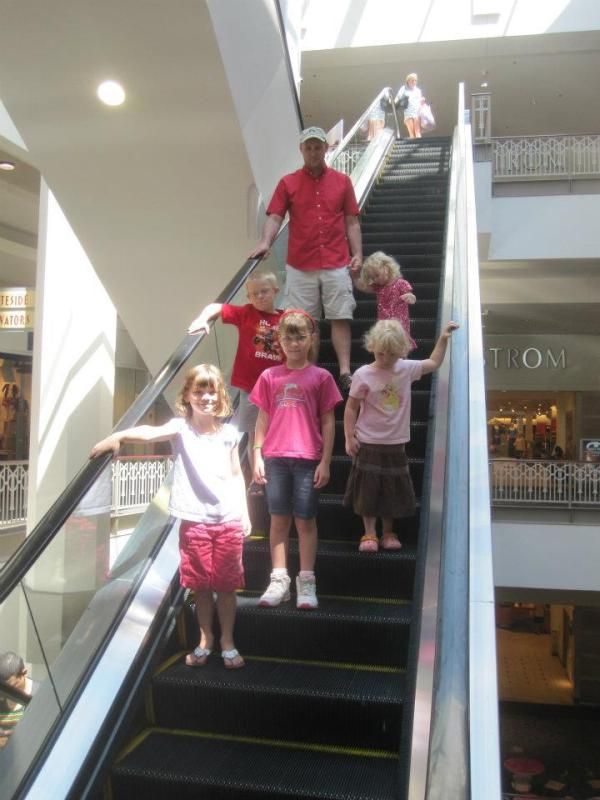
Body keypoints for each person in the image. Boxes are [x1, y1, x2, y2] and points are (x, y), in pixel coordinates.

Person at [91, 364, 251, 669]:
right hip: (194, 521)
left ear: (220, 396)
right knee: (201, 587)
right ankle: (206, 640)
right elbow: (150, 432)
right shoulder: (181, 429)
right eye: (199, 391)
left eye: (212, 391)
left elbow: (235, 475)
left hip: (227, 520)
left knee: (227, 587)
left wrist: (243, 512)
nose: (206, 397)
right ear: (188, 395)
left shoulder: (230, 434)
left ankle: (228, 641)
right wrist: (120, 436)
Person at [250, 126, 363, 394]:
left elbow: (352, 221)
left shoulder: (343, 181)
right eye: (308, 147)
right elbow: (275, 216)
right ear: (302, 150)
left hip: (336, 259)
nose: (313, 152)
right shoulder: (288, 183)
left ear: (326, 148)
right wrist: (265, 242)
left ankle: (344, 371)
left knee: (340, 315)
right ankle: (306, 373)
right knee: (303, 321)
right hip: (301, 263)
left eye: (318, 147)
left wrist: (357, 253)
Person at [250, 310, 343, 609]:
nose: (294, 343)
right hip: (275, 457)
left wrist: (326, 461)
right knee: (278, 520)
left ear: (311, 339)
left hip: (307, 459)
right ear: (279, 340)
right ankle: (279, 581)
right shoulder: (269, 376)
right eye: (288, 337)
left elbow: (328, 422)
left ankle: (306, 581)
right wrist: (256, 454)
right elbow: (262, 418)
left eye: (300, 337)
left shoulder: (321, 377)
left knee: (305, 521)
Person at [343, 319, 459, 552]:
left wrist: (443, 338)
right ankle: (369, 533)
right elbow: (351, 407)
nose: (385, 359)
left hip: (396, 442)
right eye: (381, 353)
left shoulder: (405, 368)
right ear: (372, 347)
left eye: (392, 355)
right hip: (368, 440)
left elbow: (433, 363)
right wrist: (349, 436)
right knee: (368, 488)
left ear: (400, 352)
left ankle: (388, 532)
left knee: (392, 488)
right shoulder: (364, 374)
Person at [188, 270, 284, 481]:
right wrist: (202, 319)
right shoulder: (246, 313)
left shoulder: (285, 318)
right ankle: (258, 478)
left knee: (275, 431)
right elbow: (216, 307)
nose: (260, 296)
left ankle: (276, 473)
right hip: (250, 387)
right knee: (252, 433)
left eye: (264, 291)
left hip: (277, 388)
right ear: (248, 297)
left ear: (275, 291)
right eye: (254, 294)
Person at [352, 250, 417, 350]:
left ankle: (400, 361)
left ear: (386, 268)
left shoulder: (400, 283)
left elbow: (409, 293)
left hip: (399, 323)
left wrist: (410, 297)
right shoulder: (379, 287)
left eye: (377, 275)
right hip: (384, 323)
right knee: (384, 344)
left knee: (398, 344)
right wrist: (355, 277)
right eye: (372, 278)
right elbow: (364, 287)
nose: (375, 279)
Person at [0, 651, 31, 748]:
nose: (5, 694)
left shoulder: (41, 695)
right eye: (2, 689)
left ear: (24, 673)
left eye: (11, 688)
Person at [395, 73, 424, 139]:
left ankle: (420, 147)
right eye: (412, 80)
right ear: (408, 81)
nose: (414, 82)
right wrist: (394, 103)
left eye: (415, 80)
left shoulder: (418, 90)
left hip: (417, 112)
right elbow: (398, 97)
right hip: (408, 112)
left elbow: (420, 100)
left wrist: (422, 100)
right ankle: (413, 145)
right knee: (411, 132)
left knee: (417, 132)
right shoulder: (403, 88)